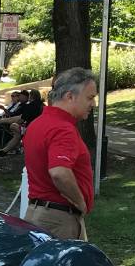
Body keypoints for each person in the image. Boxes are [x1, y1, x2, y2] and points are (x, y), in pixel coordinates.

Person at [22, 68, 97, 240]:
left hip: (37, 213)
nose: (93, 104)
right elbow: (59, 172)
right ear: (70, 96)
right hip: (58, 219)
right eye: (90, 98)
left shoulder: (38, 123)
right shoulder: (63, 129)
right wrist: (80, 203)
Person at [0, 89, 44, 156]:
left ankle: (7, 150)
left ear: (30, 96)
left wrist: (15, 123)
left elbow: (21, 120)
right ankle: (5, 150)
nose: (14, 97)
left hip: (31, 129)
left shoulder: (30, 106)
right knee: (17, 133)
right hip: (40, 128)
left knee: (14, 126)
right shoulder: (42, 105)